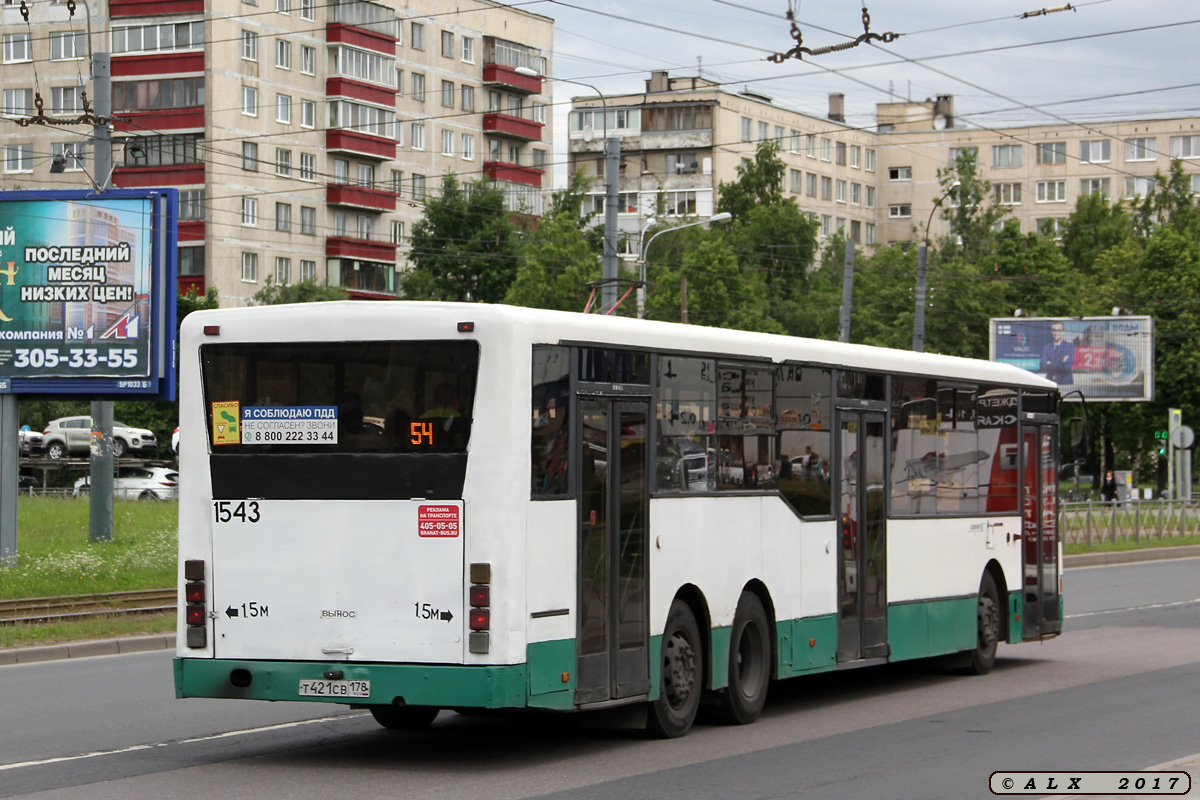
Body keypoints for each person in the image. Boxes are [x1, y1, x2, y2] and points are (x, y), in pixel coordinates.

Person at [1040, 321, 1075, 386]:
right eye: (1054, 330)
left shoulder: (1069, 346)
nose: (1056, 333)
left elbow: (1066, 366)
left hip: (1065, 383)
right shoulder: (1047, 347)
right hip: (1050, 383)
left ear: (1062, 332)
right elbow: (1043, 365)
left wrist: (1050, 363)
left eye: (1058, 330)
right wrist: (1061, 362)